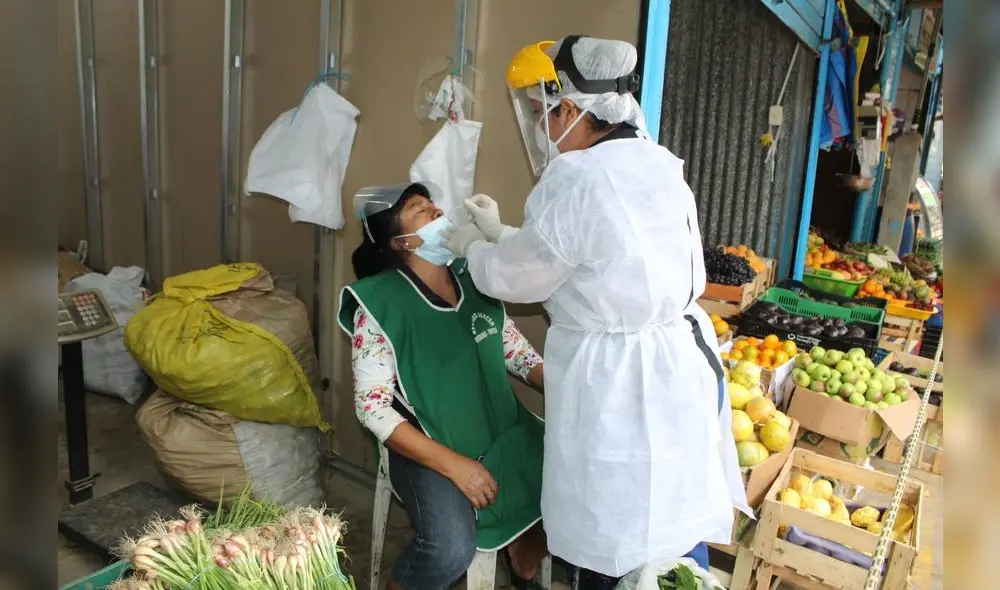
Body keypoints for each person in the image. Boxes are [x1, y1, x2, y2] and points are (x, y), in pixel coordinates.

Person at [443, 36, 751, 589]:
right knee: (670, 522)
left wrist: (475, 246)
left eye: (542, 112)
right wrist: (505, 235)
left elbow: (517, 276)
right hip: (674, 365)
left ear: (568, 108)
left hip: (615, 379)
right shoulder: (658, 165)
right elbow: (600, 262)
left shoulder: (577, 178)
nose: (541, 125)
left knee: (609, 526)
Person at [337, 181, 549, 590]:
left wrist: (566, 387)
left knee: (578, 483)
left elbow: (515, 351)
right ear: (400, 242)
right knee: (450, 549)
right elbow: (373, 408)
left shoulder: (474, 278)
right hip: (425, 444)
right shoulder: (379, 304)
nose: (436, 212)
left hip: (499, 428)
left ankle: (522, 560)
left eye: (433, 205)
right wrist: (456, 467)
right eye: (420, 210)